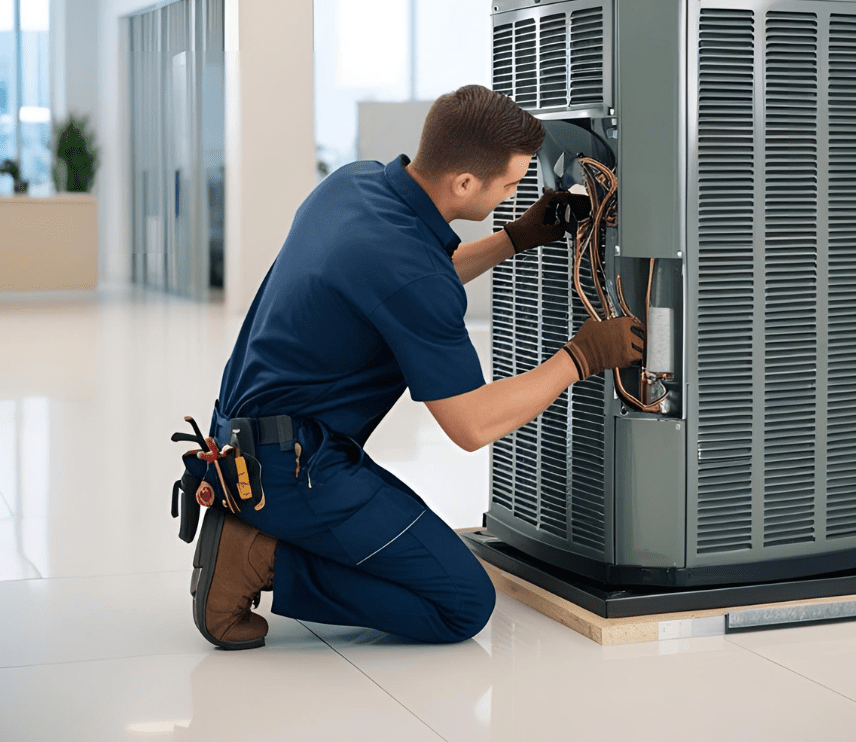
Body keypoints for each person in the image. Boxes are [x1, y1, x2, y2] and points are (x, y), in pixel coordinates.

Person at [188, 84, 645, 649]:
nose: (516, 191)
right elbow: (471, 425)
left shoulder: (352, 184)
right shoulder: (413, 275)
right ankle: (260, 556)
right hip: (291, 469)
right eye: (510, 183)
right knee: (462, 603)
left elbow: (405, 279)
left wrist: (515, 238)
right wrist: (582, 356)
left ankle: (263, 536)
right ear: (464, 184)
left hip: (239, 443)